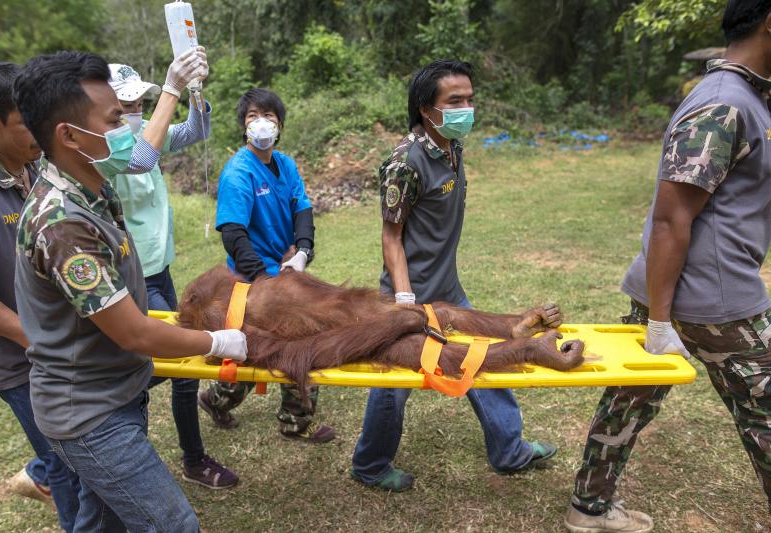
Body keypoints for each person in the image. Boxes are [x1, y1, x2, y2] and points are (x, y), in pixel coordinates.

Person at [12, 49, 247, 532]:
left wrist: (186, 87)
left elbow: (145, 155)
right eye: (116, 118)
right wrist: (217, 343)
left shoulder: (88, 178)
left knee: (103, 525)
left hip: (113, 393)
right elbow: (135, 334)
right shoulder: (62, 224)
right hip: (91, 416)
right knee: (174, 526)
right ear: (71, 135)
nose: (128, 129)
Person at [564, 2, 771, 531]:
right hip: (715, 301)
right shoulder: (723, 104)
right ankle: (588, 507)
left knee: (631, 399)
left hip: (682, 289)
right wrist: (659, 322)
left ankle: (588, 509)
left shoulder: (748, 97)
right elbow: (670, 218)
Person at [350, 59, 557, 492]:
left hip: (449, 290)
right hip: (409, 298)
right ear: (427, 109)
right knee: (393, 386)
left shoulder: (451, 145)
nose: (467, 108)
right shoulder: (404, 162)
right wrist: (405, 301)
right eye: (455, 101)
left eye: (470, 99)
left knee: (488, 357)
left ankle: (510, 450)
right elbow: (391, 237)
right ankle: (370, 465)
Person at [107, 62, 238, 489]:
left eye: (141, 101)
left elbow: (195, 131)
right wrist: (172, 87)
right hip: (132, 274)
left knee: (179, 363)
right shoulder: (111, 147)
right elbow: (142, 157)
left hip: (159, 267)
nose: (136, 109)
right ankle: (190, 457)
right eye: (127, 103)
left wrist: (196, 93)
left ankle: (118, 387)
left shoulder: (149, 128)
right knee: (182, 362)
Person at [0, 62, 80, 531]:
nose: (36, 130)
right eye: (23, 123)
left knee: (77, 462)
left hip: (55, 348)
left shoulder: (35, 165)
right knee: (71, 469)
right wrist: (31, 336)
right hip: (20, 360)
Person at [197, 88, 335, 443]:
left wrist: (303, 250)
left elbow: (302, 208)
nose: (262, 124)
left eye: (269, 117)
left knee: (269, 348)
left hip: (286, 270)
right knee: (287, 344)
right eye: (253, 117)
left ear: (280, 125)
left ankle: (230, 403)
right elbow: (232, 232)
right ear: (244, 127)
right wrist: (263, 279)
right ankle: (287, 418)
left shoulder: (285, 165)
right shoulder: (238, 172)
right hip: (251, 277)